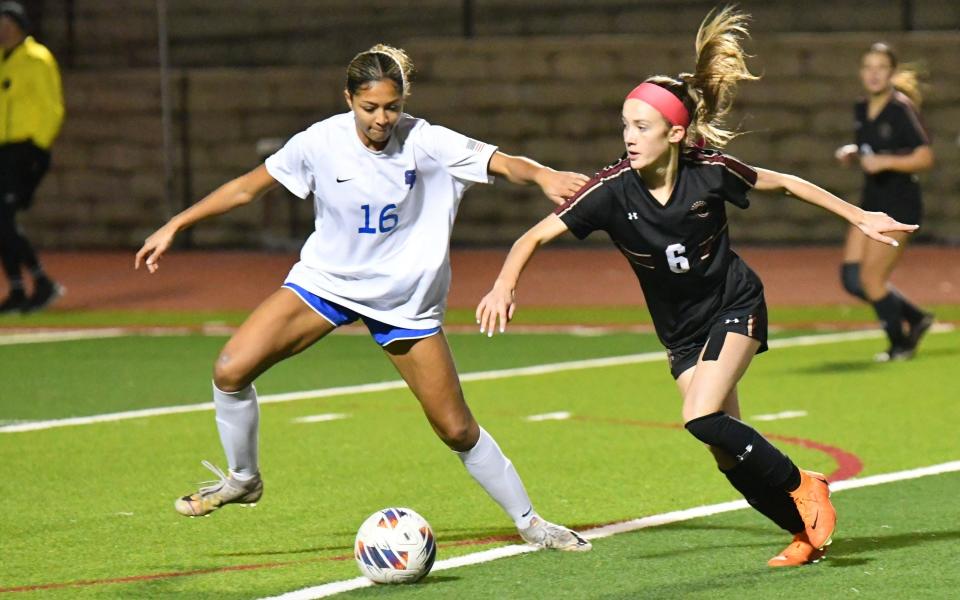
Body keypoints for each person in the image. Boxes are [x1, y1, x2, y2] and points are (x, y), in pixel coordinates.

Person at [476, 7, 918, 567]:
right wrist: (503, 283)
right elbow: (531, 238)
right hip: (682, 333)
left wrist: (858, 216)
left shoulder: (710, 170)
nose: (629, 137)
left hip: (734, 305)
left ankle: (804, 482)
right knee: (722, 447)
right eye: (624, 125)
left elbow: (786, 184)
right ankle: (805, 533)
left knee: (699, 416)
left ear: (676, 133)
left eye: (642, 127)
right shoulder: (610, 190)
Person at [135, 44, 592, 551]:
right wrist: (178, 222)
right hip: (327, 283)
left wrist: (544, 174)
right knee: (230, 369)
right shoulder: (320, 142)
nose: (381, 119)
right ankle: (244, 480)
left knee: (456, 428)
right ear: (348, 99)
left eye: (392, 107)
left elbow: (506, 163)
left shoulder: (429, 142)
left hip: (404, 303)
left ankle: (532, 524)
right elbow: (248, 188)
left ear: (404, 102)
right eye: (369, 108)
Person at [835, 42, 935, 362]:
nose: (874, 74)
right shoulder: (862, 108)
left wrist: (885, 161)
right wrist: (855, 152)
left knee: (871, 280)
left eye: (881, 68)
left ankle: (900, 343)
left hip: (899, 206)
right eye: (868, 67)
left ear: (891, 73)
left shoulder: (900, 109)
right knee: (852, 279)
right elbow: (872, 147)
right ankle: (916, 317)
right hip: (870, 203)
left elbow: (924, 156)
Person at [0, 1, 65, 314]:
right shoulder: (2, 60)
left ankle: (41, 283)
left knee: (4, 219)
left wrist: (37, 148)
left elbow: (52, 106)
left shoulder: (36, 58)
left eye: (7, 21)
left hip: (24, 150)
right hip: (3, 149)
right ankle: (17, 287)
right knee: (2, 221)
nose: (3, 28)